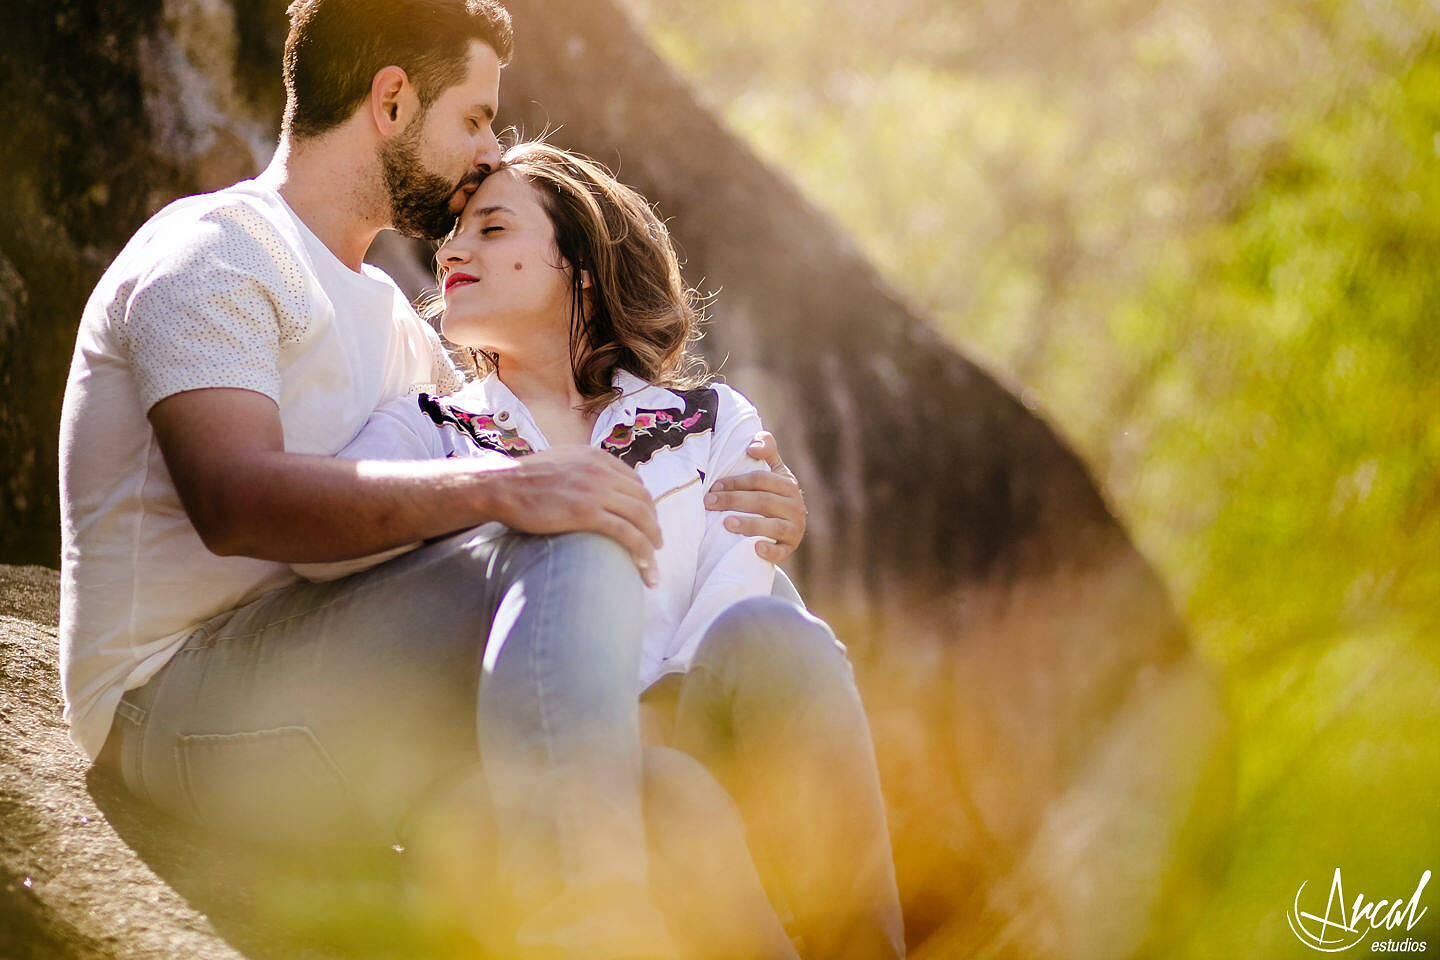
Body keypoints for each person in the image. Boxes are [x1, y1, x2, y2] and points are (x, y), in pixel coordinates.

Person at [59, 1, 808, 957]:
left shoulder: (396, 320)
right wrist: (507, 493)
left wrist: (741, 512)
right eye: (473, 118)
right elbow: (234, 499)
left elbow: (545, 453)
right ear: (391, 100)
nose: (489, 151)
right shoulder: (218, 250)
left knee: (680, 791)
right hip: (175, 706)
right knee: (557, 534)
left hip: (340, 674)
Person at [306, 140, 906, 960]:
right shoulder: (427, 431)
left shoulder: (710, 420)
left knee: (780, 637)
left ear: (578, 264)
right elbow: (327, 544)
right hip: (546, 779)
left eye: (491, 228)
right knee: (670, 793)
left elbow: (737, 589)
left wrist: (650, 722)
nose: (449, 251)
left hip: (712, 735)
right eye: (453, 236)